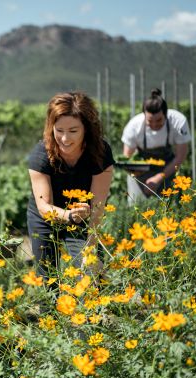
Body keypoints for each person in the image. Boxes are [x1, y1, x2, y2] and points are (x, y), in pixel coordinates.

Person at [27, 92, 114, 277]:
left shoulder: (100, 153)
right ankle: (49, 306)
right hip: (46, 218)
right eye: (59, 131)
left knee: (92, 274)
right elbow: (44, 207)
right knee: (48, 279)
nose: (65, 139)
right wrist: (69, 215)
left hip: (84, 216)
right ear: (51, 128)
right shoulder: (40, 155)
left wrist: (89, 250)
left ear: (87, 129)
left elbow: (98, 207)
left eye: (73, 131)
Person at [121, 88, 191, 202]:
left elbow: (180, 156)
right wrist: (142, 178)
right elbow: (127, 158)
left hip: (168, 167)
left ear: (166, 114)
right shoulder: (133, 126)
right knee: (137, 207)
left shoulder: (178, 122)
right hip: (140, 170)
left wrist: (159, 178)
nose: (154, 125)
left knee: (172, 206)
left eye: (158, 120)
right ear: (144, 115)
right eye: (150, 121)